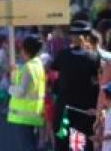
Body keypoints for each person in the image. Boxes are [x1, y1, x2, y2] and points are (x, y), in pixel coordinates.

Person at [52, 20, 100, 151]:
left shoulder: (63, 55)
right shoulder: (94, 57)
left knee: (64, 142)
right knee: (78, 146)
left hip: (66, 109)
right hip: (83, 110)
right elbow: (98, 84)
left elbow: (55, 78)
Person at [7, 35, 45, 151]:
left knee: (27, 147)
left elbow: (20, 91)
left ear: (24, 50)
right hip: (34, 114)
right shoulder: (38, 64)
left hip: (23, 117)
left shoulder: (28, 67)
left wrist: (10, 88)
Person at [90, 82, 111, 151]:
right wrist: (95, 113)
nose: (102, 99)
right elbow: (103, 116)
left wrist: (99, 138)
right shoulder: (107, 110)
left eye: (104, 96)